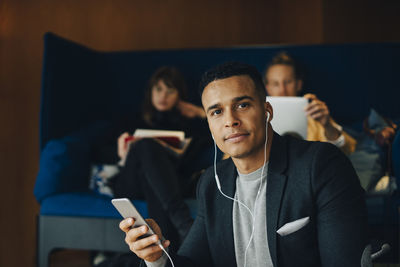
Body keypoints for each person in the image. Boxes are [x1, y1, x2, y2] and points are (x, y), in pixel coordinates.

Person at [118, 62, 369, 267]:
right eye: (216, 112)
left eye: (242, 105)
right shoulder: (211, 183)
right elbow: (191, 263)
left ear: (267, 111)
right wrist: (156, 257)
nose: (230, 120)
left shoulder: (321, 165)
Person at [110, 66, 211, 249]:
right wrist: (121, 155)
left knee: (153, 181)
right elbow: (103, 153)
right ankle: (182, 222)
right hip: (130, 184)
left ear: (179, 96)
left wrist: (199, 113)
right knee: (145, 145)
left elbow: (216, 135)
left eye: (170, 91)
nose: (163, 96)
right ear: (151, 92)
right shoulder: (132, 120)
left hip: (167, 184)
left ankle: (166, 252)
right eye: (159, 89)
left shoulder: (188, 125)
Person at [264, 52, 357, 155]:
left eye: (288, 82)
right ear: (267, 88)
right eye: (275, 84)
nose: (282, 90)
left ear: (299, 84)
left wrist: (327, 126)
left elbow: (348, 150)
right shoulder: (258, 118)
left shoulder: (314, 113)